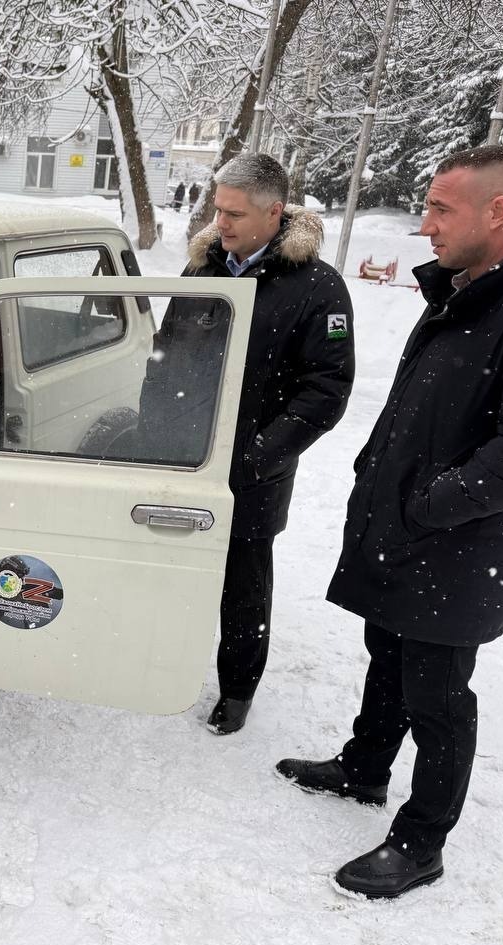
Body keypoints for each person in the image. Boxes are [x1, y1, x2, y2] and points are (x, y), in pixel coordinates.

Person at [277, 145, 503, 898]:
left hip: (459, 546)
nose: (424, 227)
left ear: (499, 211)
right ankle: (364, 768)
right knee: (385, 651)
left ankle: (423, 840)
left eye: (440, 209)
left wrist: (428, 505)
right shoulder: (468, 287)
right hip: (406, 526)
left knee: (440, 693)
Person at [141, 153, 354, 734]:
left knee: (242, 580)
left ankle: (237, 687)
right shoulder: (204, 269)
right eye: (217, 209)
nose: (221, 222)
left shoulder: (316, 287)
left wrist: (261, 453)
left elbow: (326, 389)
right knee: (175, 565)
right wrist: (152, 433)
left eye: (234, 213)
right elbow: (165, 355)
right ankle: (161, 661)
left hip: (255, 466)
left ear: (274, 212)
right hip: (184, 455)